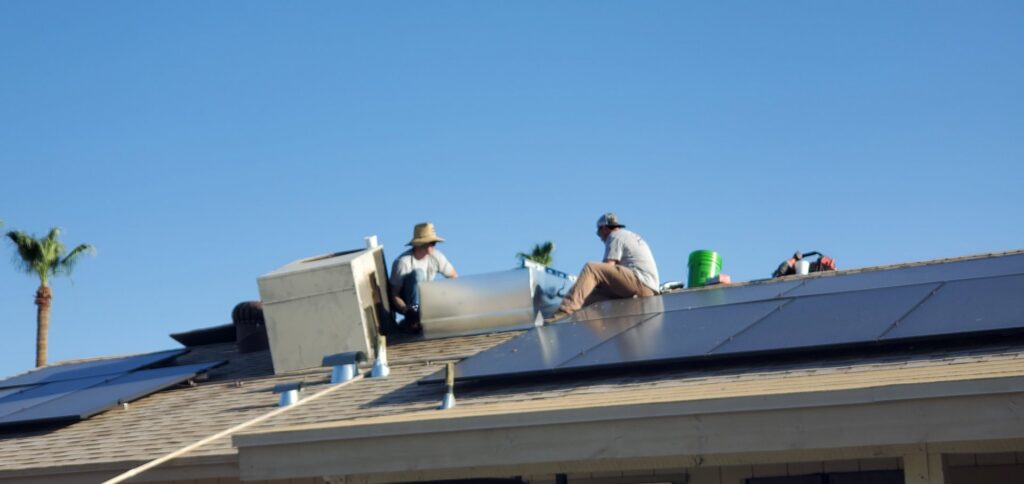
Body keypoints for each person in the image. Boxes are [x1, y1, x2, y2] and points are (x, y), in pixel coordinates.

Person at [547, 213, 660, 322]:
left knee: (591, 268)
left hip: (640, 282)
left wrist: (581, 286)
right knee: (589, 298)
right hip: (647, 290)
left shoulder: (615, 235)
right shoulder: (628, 235)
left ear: (604, 229)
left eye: (598, 233)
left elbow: (607, 266)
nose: (600, 238)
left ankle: (563, 313)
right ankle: (594, 330)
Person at [389, 222, 458, 332]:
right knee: (418, 274)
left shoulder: (436, 256)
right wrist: (406, 310)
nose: (432, 246)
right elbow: (394, 294)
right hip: (409, 306)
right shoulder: (403, 262)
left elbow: (454, 277)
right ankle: (413, 319)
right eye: (430, 242)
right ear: (419, 244)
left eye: (434, 243)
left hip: (426, 302)